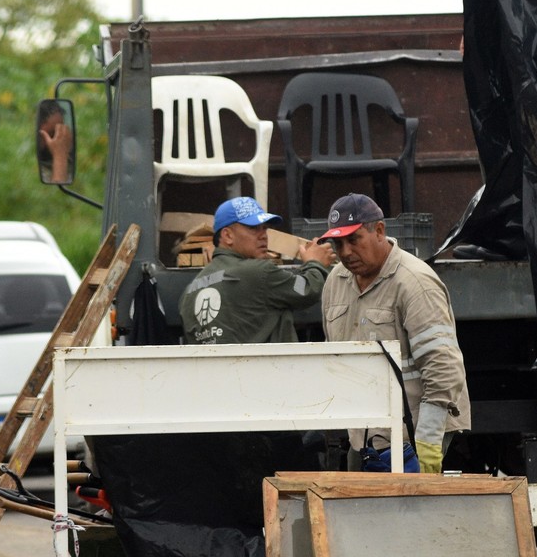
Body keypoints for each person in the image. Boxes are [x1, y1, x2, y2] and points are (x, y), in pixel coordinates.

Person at [317, 193, 471, 473]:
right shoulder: (335, 282)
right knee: (361, 512)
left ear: (379, 231)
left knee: (408, 514)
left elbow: (443, 366)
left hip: (412, 435)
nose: (345, 252)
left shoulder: (413, 282)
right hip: (364, 436)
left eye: (353, 240)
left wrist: (427, 442)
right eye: (338, 243)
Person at [179, 195, 333, 344]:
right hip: (263, 369)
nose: (263, 236)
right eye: (253, 228)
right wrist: (315, 263)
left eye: (264, 228)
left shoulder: (189, 292)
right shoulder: (258, 272)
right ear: (228, 236)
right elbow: (307, 289)